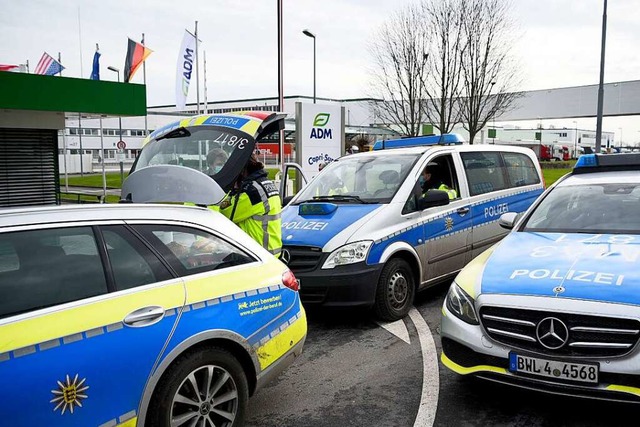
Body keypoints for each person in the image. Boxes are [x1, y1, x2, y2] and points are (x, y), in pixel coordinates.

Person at [219, 154, 282, 257]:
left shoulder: (252, 191)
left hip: (258, 254)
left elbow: (226, 214)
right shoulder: (265, 183)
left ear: (241, 170)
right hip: (270, 252)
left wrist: (230, 191)